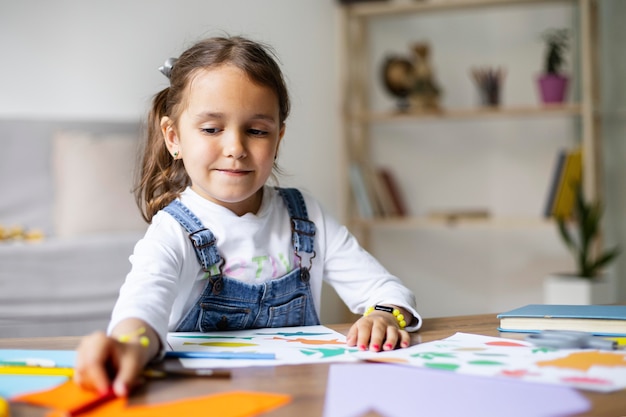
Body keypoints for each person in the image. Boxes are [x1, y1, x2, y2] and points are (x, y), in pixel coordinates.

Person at [74, 35, 421, 397]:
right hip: (203, 400)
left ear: (278, 138)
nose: (236, 148)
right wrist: (129, 344)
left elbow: (387, 290)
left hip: (297, 395)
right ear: (173, 137)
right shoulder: (173, 230)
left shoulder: (306, 216)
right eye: (211, 129)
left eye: (256, 131)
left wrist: (383, 314)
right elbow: (142, 309)